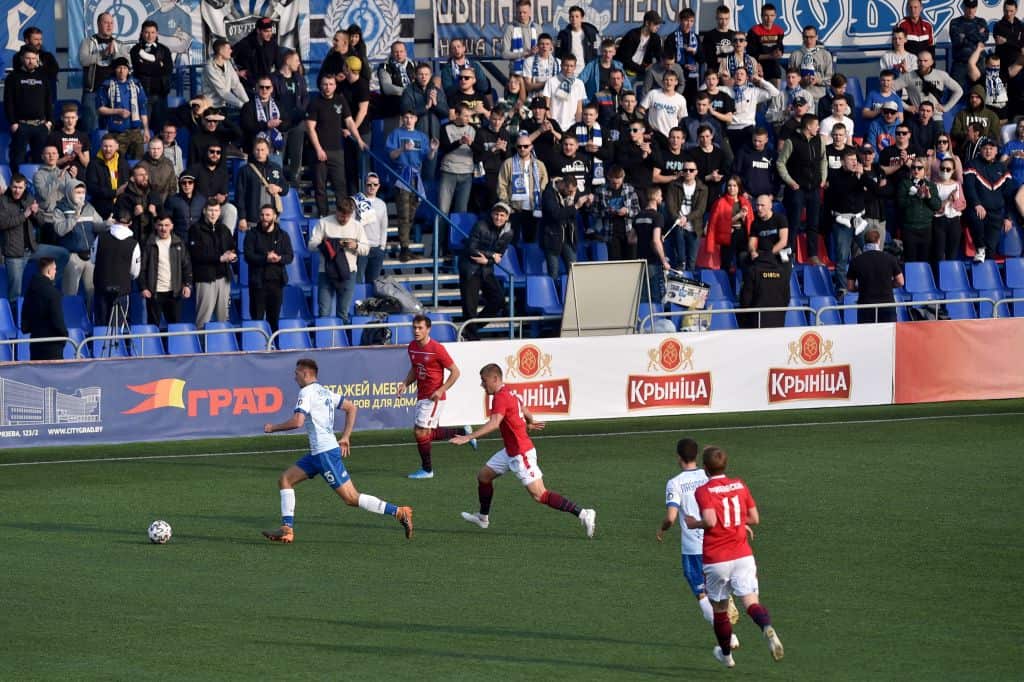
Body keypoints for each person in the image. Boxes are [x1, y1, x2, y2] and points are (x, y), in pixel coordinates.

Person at [262, 358, 414, 544]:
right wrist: (346, 437)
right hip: (318, 453)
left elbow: (298, 422)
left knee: (351, 498)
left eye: (296, 374)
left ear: (305, 373)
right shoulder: (325, 392)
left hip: (324, 454)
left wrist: (273, 428)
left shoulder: (306, 393)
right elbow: (352, 407)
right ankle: (287, 529)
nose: (294, 377)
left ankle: (399, 512)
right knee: (285, 480)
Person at [452, 363, 596, 538]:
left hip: (521, 453)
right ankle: (483, 518)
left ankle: (584, 513)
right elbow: (524, 410)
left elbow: (494, 423)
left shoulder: (500, 397)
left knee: (540, 495)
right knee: (484, 476)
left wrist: (469, 437)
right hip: (510, 451)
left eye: (484, 381)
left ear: (495, 379)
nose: (482, 385)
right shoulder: (510, 391)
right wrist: (530, 421)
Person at [685, 446, 784, 668]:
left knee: (720, 609)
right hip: (742, 555)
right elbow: (754, 518)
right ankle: (766, 627)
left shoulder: (704, 491)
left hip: (717, 558)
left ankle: (727, 656)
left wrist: (693, 523)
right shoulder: (740, 484)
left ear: (705, 468)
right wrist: (739, 524)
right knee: (750, 601)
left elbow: (710, 521)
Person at [657, 438, 743, 633]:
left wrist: (662, 529)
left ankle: (728, 637)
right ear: (697, 456)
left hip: (693, 549)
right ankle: (724, 596)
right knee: (714, 585)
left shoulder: (675, 483)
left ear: (678, 457)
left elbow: (671, 517)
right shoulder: (708, 476)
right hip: (716, 542)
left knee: (701, 594)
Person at [399, 314, 471, 478]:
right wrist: (405, 383)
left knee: (420, 432)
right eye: (414, 328)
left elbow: (455, 372)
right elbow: (415, 369)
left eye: (420, 328)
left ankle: (427, 470)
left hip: (434, 397)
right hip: (421, 395)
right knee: (423, 432)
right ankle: (461, 431)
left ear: (428, 329)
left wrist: (441, 390)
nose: (416, 331)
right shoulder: (412, 346)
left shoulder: (437, 348)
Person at [306, 73, 367, 218]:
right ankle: (324, 215)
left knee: (340, 185)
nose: (328, 87)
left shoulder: (340, 99)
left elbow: (350, 122)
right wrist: (318, 149)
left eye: (331, 84)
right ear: (320, 86)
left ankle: (343, 215)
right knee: (320, 187)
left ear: (335, 85)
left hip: (337, 151)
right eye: (325, 84)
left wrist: (358, 139)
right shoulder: (315, 102)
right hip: (320, 151)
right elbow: (310, 128)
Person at [387, 110, 439, 261]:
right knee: (403, 214)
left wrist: (433, 150)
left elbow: (427, 157)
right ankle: (404, 248)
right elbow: (391, 155)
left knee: (412, 214)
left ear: (416, 119)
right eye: (406, 117)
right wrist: (402, 149)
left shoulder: (421, 136)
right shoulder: (396, 134)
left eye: (411, 117)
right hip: (401, 176)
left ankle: (406, 245)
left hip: (416, 177)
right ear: (402, 119)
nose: (408, 120)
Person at [459, 203, 514, 341]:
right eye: (496, 214)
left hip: (486, 269)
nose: (498, 218)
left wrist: (487, 261)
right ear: (491, 214)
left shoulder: (508, 233)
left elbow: (499, 257)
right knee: (470, 306)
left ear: (507, 217)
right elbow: (470, 248)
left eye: (502, 215)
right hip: (470, 269)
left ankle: (473, 328)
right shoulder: (481, 225)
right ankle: (472, 336)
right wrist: (490, 256)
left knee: (499, 299)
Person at [308, 198, 368, 322]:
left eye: (347, 217)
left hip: (349, 273)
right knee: (324, 312)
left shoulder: (357, 226)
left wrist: (355, 246)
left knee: (343, 312)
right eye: (341, 216)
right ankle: (324, 340)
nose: (344, 219)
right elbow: (311, 245)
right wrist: (326, 243)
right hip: (326, 272)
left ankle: (343, 339)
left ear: (351, 214)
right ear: (336, 211)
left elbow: (366, 249)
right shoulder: (324, 223)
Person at [777, 114, 827, 264]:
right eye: (816, 125)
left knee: (813, 223)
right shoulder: (791, 142)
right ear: (808, 126)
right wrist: (790, 181)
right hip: (797, 188)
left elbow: (823, 160)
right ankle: (789, 253)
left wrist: (823, 178)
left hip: (814, 189)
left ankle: (812, 255)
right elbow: (780, 163)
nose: (818, 128)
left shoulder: (819, 141)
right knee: (794, 222)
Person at [963, 138, 1018, 262]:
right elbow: (969, 187)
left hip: (996, 214)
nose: (988, 151)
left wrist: (1008, 217)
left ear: (996, 151)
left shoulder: (1002, 168)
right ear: (980, 150)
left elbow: (1009, 195)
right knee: (974, 218)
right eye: (985, 148)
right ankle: (980, 248)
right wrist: (977, 204)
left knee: (991, 250)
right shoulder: (972, 165)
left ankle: (987, 278)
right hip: (978, 210)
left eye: (991, 148)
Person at [54, 181, 106, 305]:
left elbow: (97, 225)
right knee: (70, 293)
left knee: (91, 293)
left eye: (83, 192)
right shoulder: (60, 209)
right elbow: (60, 230)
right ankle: (69, 321)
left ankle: (88, 320)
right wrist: (74, 218)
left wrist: (106, 224)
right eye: (77, 192)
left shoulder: (89, 207)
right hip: (72, 257)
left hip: (90, 257)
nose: (81, 195)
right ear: (70, 192)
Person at [244, 204, 293, 332]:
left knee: (274, 320)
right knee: (257, 320)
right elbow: (248, 256)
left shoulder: (283, 235)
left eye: (268, 215)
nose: (264, 218)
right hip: (257, 284)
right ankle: (257, 348)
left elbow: (290, 256)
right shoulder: (251, 234)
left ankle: (274, 348)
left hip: (276, 283)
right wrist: (265, 258)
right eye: (262, 215)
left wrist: (279, 258)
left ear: (274, 216)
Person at [91, 205, 141, 331]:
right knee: (118, 329)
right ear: (130, 223)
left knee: (100, 328)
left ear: (114, 220)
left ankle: (98, 349)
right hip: (122, 290)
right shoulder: (133, 243)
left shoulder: (100, 238)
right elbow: (135, 272)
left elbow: (93, 259)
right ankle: (117, 351)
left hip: (101, 287)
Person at [187, 199, 235, 329]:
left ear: (220, 212)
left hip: (223, 277)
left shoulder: (224, 229)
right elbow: (196, 255)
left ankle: (225, 345)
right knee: (203, 317)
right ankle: (202, 346)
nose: (213, 214)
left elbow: (232, 247)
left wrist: (232, 256)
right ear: (204, 211)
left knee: (223, 317)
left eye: (216, 210)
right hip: (205, 278)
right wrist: (219, 258)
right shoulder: (195, 229)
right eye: (210, 210)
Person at [78, 12, 130, 132]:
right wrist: (103, 54)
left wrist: (115, 54)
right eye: (106, 22)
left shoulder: (119, 44)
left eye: (111, 23)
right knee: (91, 128)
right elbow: (83, 60)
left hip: (111, 93)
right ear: (98, 24)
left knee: (111, 130)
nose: (109, 26)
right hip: (92, 92)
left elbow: (127, 63)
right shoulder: (88, 42)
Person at [4, 50, 53, 173]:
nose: (31, 61)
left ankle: (40, 187)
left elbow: (48, 100)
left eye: (33, 58)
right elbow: (8, 102)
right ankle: (16, 185)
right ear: (22, 59)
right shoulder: (13, 77)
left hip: (41, 125)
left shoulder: (43, 77)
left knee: (41, 159)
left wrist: (49, 122)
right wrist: (13, 123)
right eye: (28, 58)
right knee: (17, 159)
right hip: (21, 125)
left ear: (37, 59)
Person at [140, 214, 192, 326]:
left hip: (174, 293)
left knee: (175, 326)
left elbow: (186, 266)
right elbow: (142, 268)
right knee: (153, 325)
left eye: (166, 225)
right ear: (155, 226)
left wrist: (187, 285)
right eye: (160, 225)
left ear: (172, 226)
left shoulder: (179, 243)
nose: (163, 228)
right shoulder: (149, 244)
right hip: (154, 293)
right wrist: (143, 287)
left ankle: (172, 345)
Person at [498, 131, 549, 243]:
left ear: (531, 147)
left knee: (530, 241)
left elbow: (544, 184)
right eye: (519, 146)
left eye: (526, 146)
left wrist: (540, 200)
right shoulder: (508, 163)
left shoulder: (539, 165)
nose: (522, 149)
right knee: (511, 240)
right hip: (514, 209)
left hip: (533, 209)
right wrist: (506, 204)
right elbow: (502, 185)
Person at [847, 228, 905, 323]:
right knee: (888, 336)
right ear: (878, 241)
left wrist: (861, 287)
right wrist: (888, 285)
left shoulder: (856, 261)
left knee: (867, 336)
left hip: (866, 306)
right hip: (887, 305)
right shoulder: (890, 258)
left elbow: (850, 287)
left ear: (864, 241)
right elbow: (900, 281)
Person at [270, 49, 310, 182]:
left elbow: (305, 97)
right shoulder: (274, 78)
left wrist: (301, 112)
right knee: (278, 155)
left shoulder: (299, 78)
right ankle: (277, 182)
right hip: (281, 124)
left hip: (297, 123)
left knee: (296, 155)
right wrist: (281, 117)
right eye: (296, 60)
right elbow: (272, 100)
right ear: (287, 61)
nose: (299, 63)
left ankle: (295, 183)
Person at [235, 138, 289, 233]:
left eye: (263, 150)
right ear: (253, 151)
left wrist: (278, 188)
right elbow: (240, 195)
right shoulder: (245, 170)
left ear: (268, 151)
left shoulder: (276, 168)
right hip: (253, 218)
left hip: (272, 218)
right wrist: (242, 217)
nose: (260, 153)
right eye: (257, 150)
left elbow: (285, 188)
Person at [19, 257, 67, 361]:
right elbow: (58, 321)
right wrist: (64, 336)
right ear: (49, 271)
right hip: (52, 347)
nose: (55, 271)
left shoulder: (30, 291)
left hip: (35, 343)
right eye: (55, 269)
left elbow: (24, 318)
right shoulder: (53, 293)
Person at [540, 176, 587, 280]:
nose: (571, 194)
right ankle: (553, 295)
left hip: (568, 237)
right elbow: (556, 214)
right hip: (552, 237)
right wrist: (575, 206)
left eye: (573, 192)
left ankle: (572, 296)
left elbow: (582, 199)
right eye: (569, 191)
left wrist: (589, 197)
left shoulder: (571, 192)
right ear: (562, 184)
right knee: (554, 273)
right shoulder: (548, 194)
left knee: (574, 272)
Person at [130, 21, 174, 131]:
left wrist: (147, 65)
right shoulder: (135, 50)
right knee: (143, 129)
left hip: (161, 95)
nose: (150, 35)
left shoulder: (164, 49)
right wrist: (158, 65)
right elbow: (140, 69)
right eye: (147, 32)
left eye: (153, 32)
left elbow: (168, 69)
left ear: (157, 33)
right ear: (142, 33)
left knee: (161, 128)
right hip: (143, 95)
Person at [667, 160, 708, 271]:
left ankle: (689, 284)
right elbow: (671, 206)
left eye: (691, 170)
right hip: (678, 225)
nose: (688, 172)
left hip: (694, 228)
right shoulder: (674, 186)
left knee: (692, 261)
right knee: (680, 259)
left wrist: (687, 218)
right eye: (685, 170)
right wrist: (678, 218)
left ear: (696, 172)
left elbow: (701, 209)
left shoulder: (703, 188)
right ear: (682, 172)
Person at [707, 176, 754, 271]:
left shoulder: (745, 202)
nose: (732, 188)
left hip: (742, 235)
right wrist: (738, 216)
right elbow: (717, 224)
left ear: (739, 187)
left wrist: (744, 218)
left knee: (743, 260)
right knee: (726, 264)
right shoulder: (720, 202)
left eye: (734, 186)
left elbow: (751, 222)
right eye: (729, 186)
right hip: (727, 236)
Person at [897, 160, 941, 263]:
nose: (916, 170)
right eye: (913, 168)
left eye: (919, 168)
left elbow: (937, 206)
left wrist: (929, 197)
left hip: (926, 229)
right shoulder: (904, 183)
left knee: (924, 260)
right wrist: (916, 196)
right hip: (909, 228)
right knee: (910, 260)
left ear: (925, 170)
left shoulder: (931, 185)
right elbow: (900, 204)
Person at [594, 165, 640, 260]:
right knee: (615, 261)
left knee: (631, 261)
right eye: (613, 183)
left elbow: (637, 210)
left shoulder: (630, 189)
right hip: (611, 233)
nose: (616, 185)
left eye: (618, 183)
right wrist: (608, 212)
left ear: (623, 178)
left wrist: (627, 211)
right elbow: (595, 213)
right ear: (608, 178)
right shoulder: (600, 191)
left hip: (628, 231)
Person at [634, 185, 669, 302]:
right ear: (654, 197)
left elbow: (631, 238)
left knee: (643, 297)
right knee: (655, 296)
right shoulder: (657, 216)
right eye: (660, 195)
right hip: (653, 262)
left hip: (639, 261)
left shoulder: (638, 216)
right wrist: (664, 261)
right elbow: (655, 241)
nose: (662, 198)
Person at [354, 173, 388, 284]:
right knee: (357, 281)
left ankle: (370, 302)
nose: (372, 187)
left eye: (375, 184)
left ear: (378, 186)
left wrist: (382, 246)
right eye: (369, 184)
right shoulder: (357, 201)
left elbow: (384, 227)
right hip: (361, 247)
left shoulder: (382, 204)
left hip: (376, 248)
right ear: (364, 185)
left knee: (373, 283)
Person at [932, 158, 967, 264]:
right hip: (939, 221)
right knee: (938, 253)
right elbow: (933, 206)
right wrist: (947, 200)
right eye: (943, 168)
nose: (945, 171)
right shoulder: (934, 185)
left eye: (948, 169)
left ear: (953, 171)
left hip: (954, 221)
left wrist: (954, 201)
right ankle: (939, 277)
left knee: (952, 253)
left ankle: (949, 277)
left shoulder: (957, 184)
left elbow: (963, 204)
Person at [233, 17, 281, 89]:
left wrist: (274, 79)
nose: (269, 34)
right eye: (266, 31)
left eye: (271, 31)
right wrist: (236, 72)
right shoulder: (245, 43)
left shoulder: (273, 44)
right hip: (249, 86)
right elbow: (226, 55)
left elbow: (279, 64)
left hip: (266, 86)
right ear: (258, 31)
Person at [950, 0, 991, 86]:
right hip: (961, 64)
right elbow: (957, 40)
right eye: (968, 7)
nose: (971, 10)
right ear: (963, 7)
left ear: (976, 8)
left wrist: (965, 35)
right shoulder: (955, 22)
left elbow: (984, 38)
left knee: (981, 92)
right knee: (958, 92)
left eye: (973, 7)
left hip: (979, 63)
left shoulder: (981, 21)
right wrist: (977, 33)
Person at [202, 38, 249, 112]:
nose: (231, 50)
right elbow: (222, 92)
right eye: (228, 48)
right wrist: (242, 105)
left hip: (223, 105)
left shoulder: (227, 63)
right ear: (221, 51)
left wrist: (247, 103)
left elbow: (236, 85)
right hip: (211, 107)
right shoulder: (209, 67)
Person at [48, 104, 91, 180]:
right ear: (62, 118)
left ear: (77, 118)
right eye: (67, 118)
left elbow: (87, 164)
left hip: (79, 176)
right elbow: (49, 163)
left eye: (73, 118)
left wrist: (79, 153)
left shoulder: (83, 136)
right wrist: (65, 159)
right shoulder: (54, 137)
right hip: (59, 175)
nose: (70, 121)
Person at [619, 10, 663, 79]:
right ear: (647, 23)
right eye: (655, 24)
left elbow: (659, 56)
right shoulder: (632, 35)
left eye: (659, 24)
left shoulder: (656, 38)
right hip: (626, 71)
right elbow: (625, 59)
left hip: (644, 71)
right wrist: (643, 69)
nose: (658, 26)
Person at [748, 4, 785, 84]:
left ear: (775, 16)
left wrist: (779, 53)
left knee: (775, 94)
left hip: (774, 69)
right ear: (761, 16)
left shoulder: (779, 30)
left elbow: (781, 48)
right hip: (758, 67)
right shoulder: (754, 31)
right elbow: (751, 54)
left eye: (772, 15)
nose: (769, 19)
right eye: (766, 15)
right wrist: (770, 56)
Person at [502, 0, 541, 75]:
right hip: (516, 72)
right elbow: (504, 54)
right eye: (519, 12)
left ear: (530, 12)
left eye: (524, 12)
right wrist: (524, 54)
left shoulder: (537, 28)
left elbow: (543, 50)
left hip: (534, 71)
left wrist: (538, 50)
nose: (521, 15)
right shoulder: (510, 28)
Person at [556, 5, 600, 71]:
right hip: (569, 71)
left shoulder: (590, 34)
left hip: (586, 71)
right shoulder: (562, 35)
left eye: (577, 16)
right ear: (569, 18)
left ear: (581, 18)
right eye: (572, 16)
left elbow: (595, 53)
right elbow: (558, 53)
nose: (574, 19)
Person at [165, 173, 205, 240]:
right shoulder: (172, 200)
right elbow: (167, 221)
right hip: (179, 239)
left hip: (198, 239)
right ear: (180, 184)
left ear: (194, 184)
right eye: (184, 183)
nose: (187, 185)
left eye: (190, 182)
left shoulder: (202, 200)